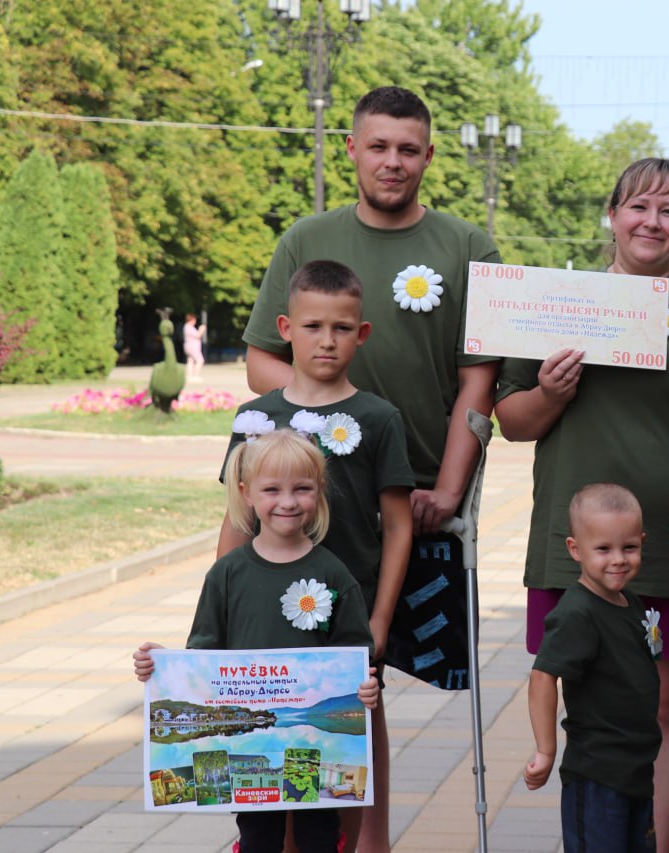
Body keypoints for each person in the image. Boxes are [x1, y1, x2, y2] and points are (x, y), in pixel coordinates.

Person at [496, 158, 669, 851]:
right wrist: (550, 390)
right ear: (612, 214)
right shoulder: (557, 300)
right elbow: (512, 420)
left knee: (664, 707)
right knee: (588, 708)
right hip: (574, 544)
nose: (651, 222)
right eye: (638, 207)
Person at [242, 86, 499, 696]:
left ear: (429, 156)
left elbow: (479, 378)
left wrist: (447, 490)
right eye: (378, 146)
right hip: (314, 495)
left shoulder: (469, 247)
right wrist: (337, 411)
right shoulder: (304, 240)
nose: (393, 161)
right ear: (351, 149)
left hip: (416, 504)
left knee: (367, 680)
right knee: (311, 682)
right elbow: (259, 364)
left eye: (408, 150)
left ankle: (363, 798)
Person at [220, 260, 414, 851]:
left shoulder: (380, 419)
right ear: (285, 327)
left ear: (363, 333)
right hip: (263, 626)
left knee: (338, 755)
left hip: (342, 626)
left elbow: (399, 527)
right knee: (268, 748)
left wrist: (379, 619)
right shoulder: (256, 420)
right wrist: (219, 607)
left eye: (341, 327)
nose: (326, 340)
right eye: (312, 326)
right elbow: (234, 518)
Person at [133, 429, 379, 853]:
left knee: (318, 833)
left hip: (312, 746)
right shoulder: (227, 575)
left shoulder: (335, 574)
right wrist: (163, 665)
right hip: (245, 745)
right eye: (272, 489)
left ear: (318, 491)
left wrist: (367, 687)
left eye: (302, 488)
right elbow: (203, 657)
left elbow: (356, 656)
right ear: (246, 493)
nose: (287, 501)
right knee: (258, 835)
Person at [524, 483, 662, 852]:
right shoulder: (577, 613)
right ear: (576, 550)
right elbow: (542, 676)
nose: (618, 559)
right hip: (597, 775)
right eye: (603, 549)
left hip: (635, 769)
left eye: (629, 547)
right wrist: (545, 750)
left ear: (642, 542)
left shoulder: (630, 603)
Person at [182, 313, 205, 381]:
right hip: (192, 347)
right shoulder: (189, 327)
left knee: (190, 361)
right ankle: (195, 376)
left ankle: (189, 376)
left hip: (189, 346)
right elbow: (198, 335)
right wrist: (201, 329)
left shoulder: (186, 327)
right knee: (200, 360)